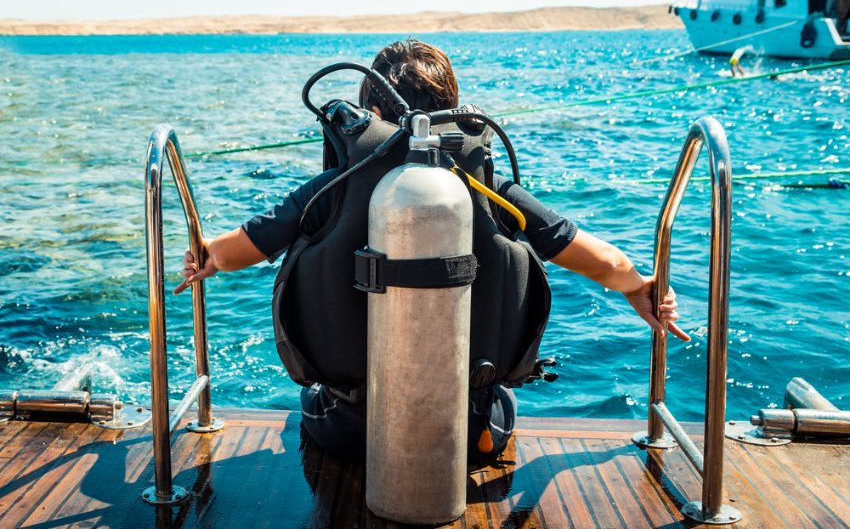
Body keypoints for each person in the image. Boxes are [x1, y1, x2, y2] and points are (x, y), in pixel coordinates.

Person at [175, 39, 689, 463]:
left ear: (367, 108)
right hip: (471, 439)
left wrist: (202, 252)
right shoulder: (493, 192)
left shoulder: (328, 190)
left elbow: (228, 253)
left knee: (307, 404)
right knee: (500, 399)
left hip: (349, 435)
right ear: (450, 107)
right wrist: (641, 289)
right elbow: (607, 262)